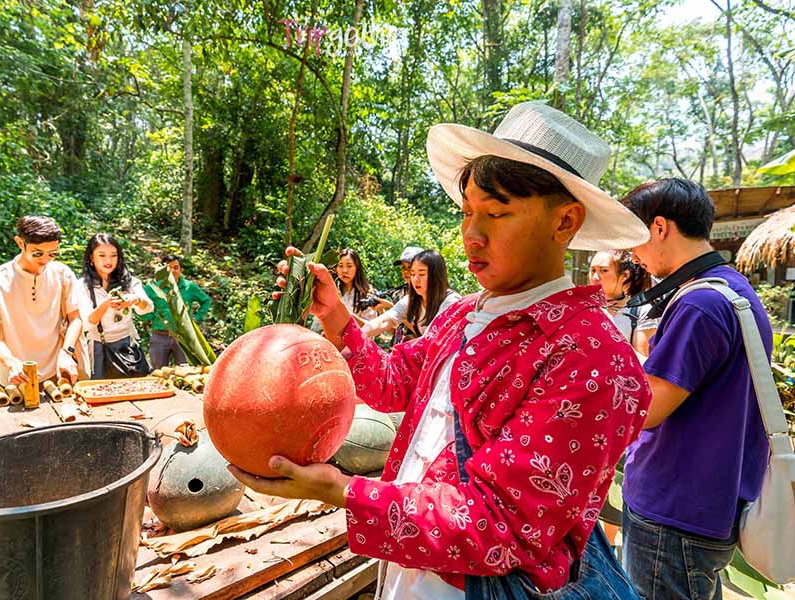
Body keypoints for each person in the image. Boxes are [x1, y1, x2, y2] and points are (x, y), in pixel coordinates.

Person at [239, 102, 652, 598]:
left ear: (564, 222)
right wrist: (335, 317)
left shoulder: (593, 356)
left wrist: (344, 492)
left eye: (497, 213)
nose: (471, 235)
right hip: (411, 571)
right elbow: (393, 384)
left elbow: (503, 524)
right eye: (468, 212)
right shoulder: (463, 315)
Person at [617, 178, 772, 600]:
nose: (632, 253)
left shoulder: (699, 304)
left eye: (634, 235)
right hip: (704, 504)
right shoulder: (732, 290)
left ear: (660, 227)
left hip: (672, 510)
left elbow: (647, 408)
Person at [0, 215, 83, 385]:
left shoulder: (63, 274)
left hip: (60, 373)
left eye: (52, 254)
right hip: (17, 377)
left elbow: (75, 319)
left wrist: (66, 352)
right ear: (19, 243)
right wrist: (10, 362)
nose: (45, 260)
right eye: (38, 253)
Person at [76, 234, 153, 379]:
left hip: (127, 346)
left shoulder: (129, 282)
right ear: (91, 258)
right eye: (102, 255)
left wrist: (135, 299)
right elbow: (87, 323)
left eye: (113, 255)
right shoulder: (82, 286)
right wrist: (106, 304)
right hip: (99, 347)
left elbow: (148, 308)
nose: (108, 260)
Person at [364, 250, 461, 339]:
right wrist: (360, 335)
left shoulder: (451, 302)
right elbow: (385, 321)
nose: (415, 280)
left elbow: (433, 338)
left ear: (436, 275)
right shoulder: (411, 300)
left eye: (421, 274)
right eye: (413, 274)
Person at [143, 254, 212, 368]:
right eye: (168, 268)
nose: (172, 271)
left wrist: (196, 318)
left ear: (181, 270)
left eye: (175, 267)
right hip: (159, 335)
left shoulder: (189, 286)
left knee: (187, 371)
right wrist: (150, 318)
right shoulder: (152, 287)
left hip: (183, 337)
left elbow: (206, 301)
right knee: (157, 371)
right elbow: (141, 305)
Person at [588, 250, 657, 356]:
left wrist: (611, 329)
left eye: (604, 270)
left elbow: (643, 364)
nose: (595, 277)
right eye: (593, 270)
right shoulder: (580, 307)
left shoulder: (640, 312)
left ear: (625, 275)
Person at [362, 246, 425, 339]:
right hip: (398, 349)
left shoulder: (425, 295)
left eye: (410, 267)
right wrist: (380, 309)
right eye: (403, 267)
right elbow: (394, 332)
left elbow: (423, 333)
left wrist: (393, 308)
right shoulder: (399, 293)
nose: (406, 271)